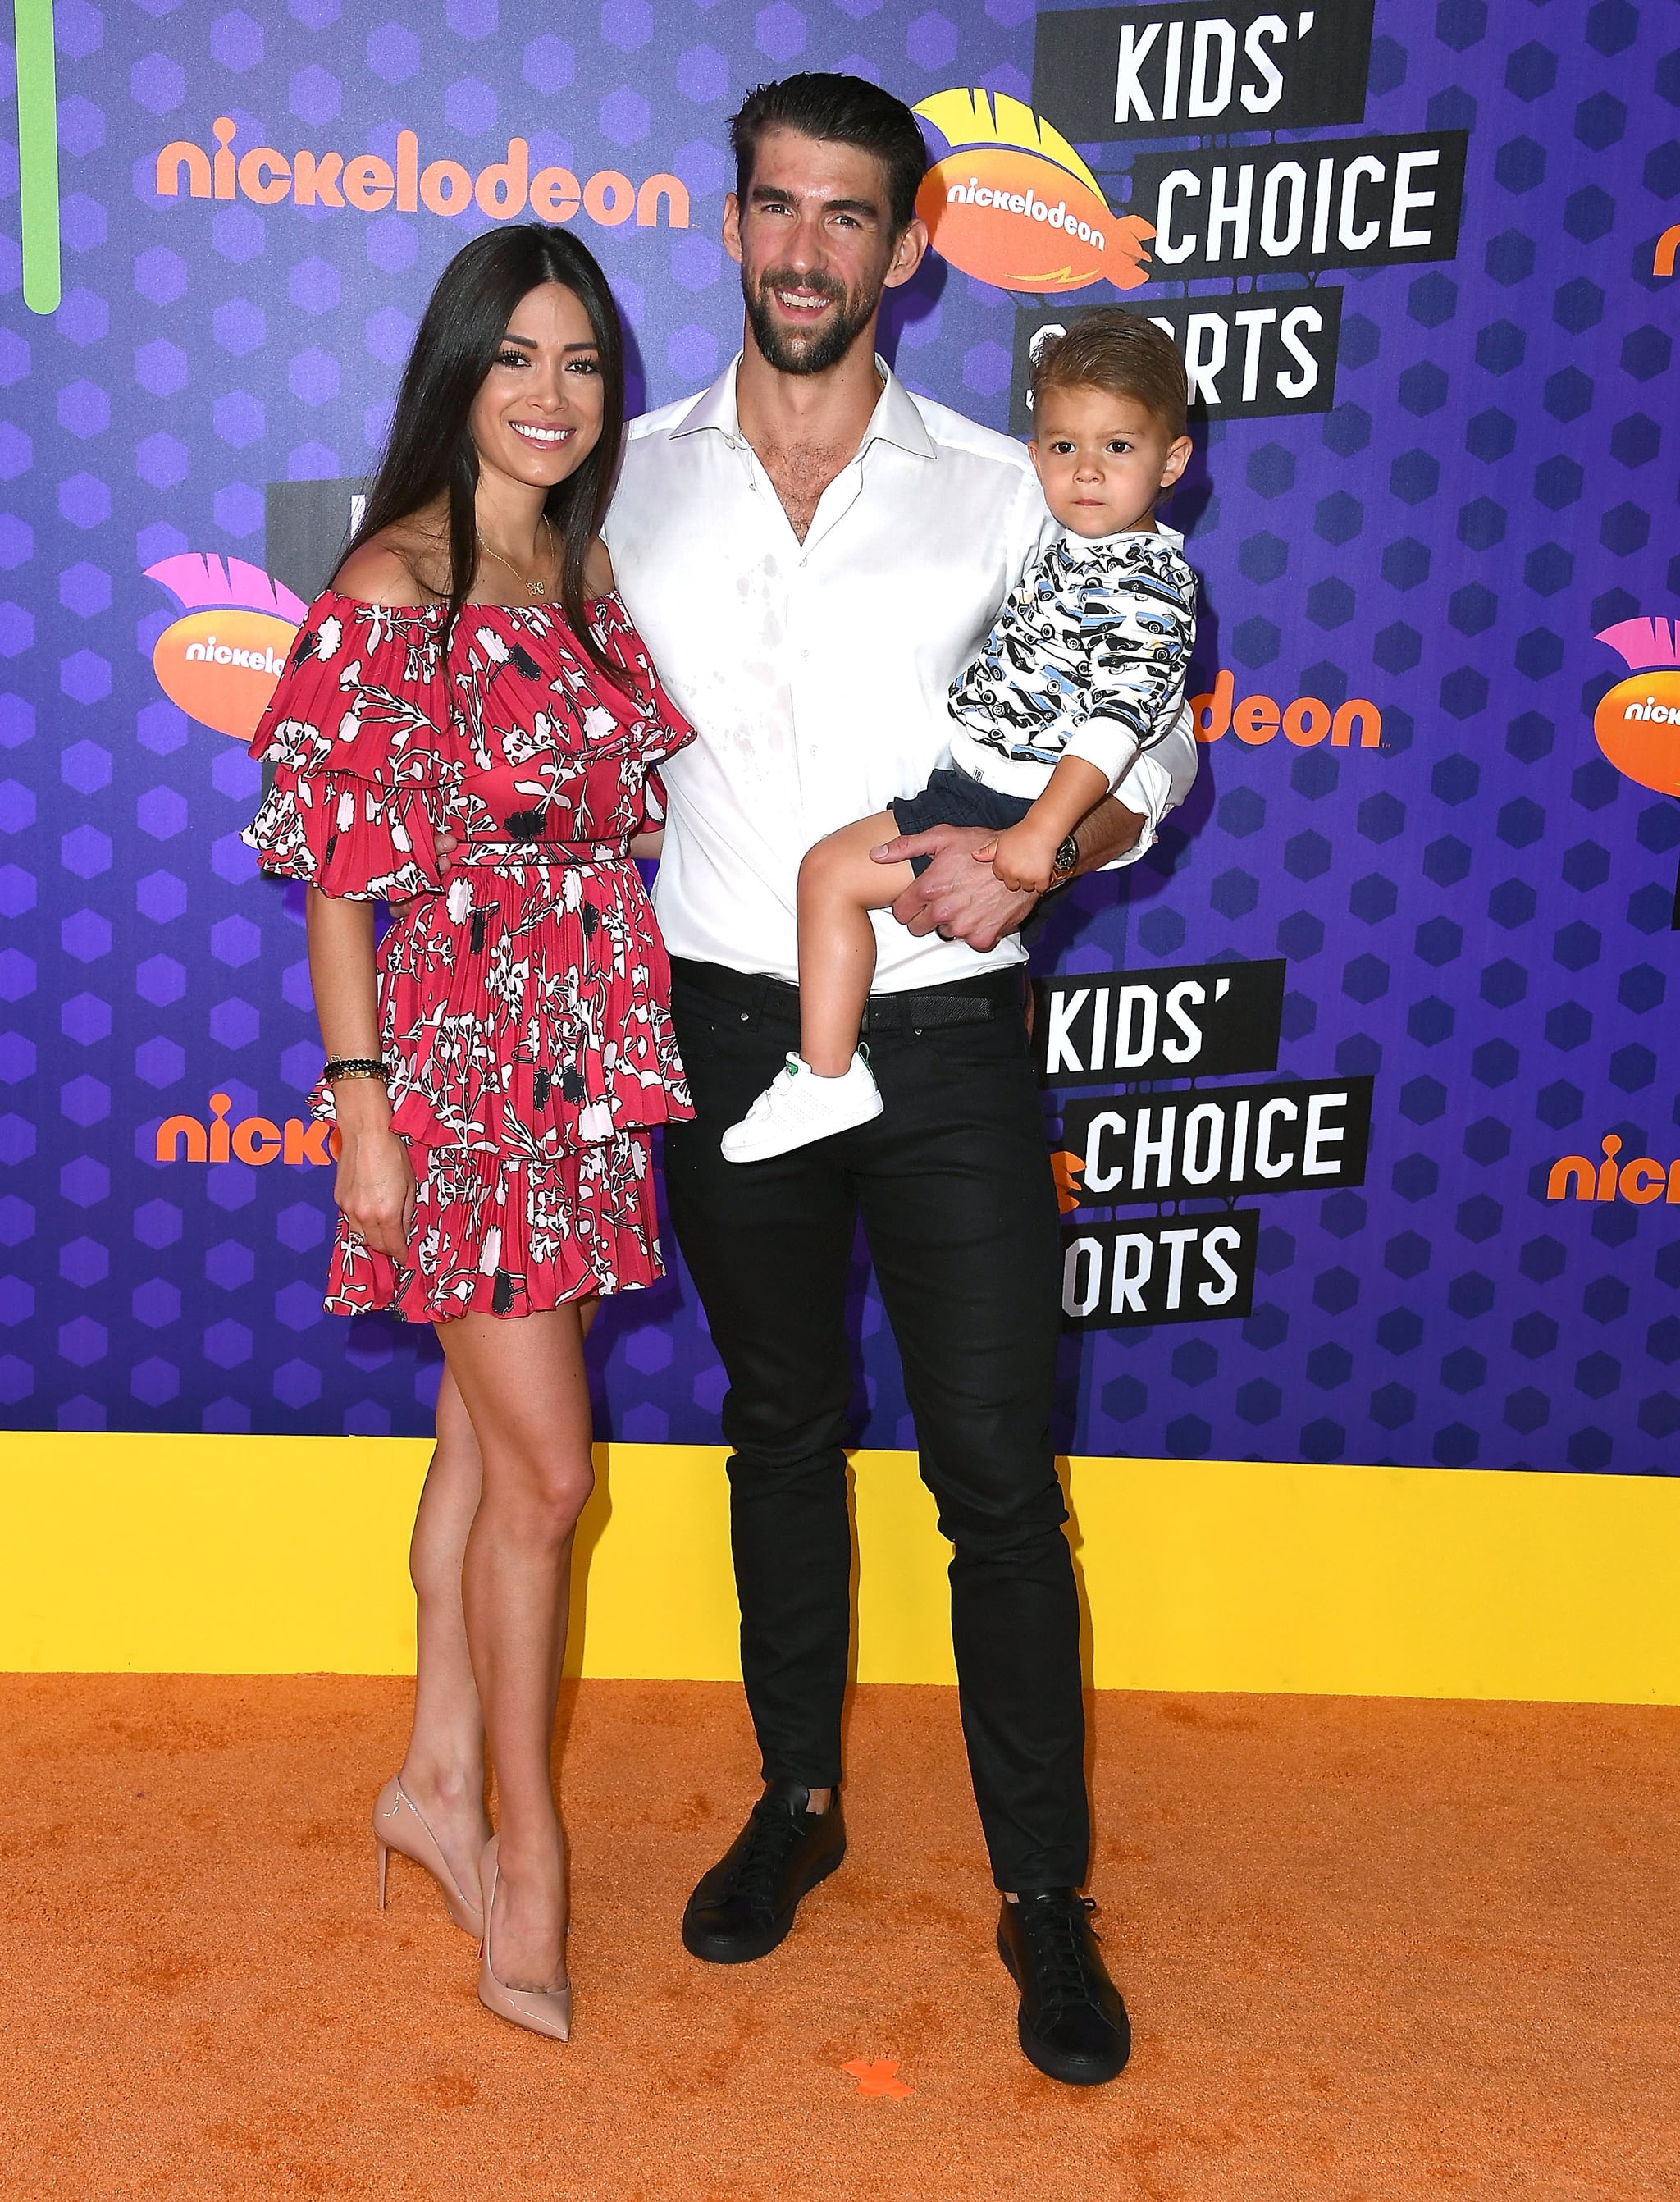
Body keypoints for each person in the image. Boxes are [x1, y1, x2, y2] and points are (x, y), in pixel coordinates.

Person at [603, 75, 1198, 2085]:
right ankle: (796, 1800)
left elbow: (1149, 733)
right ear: (734, 223)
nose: (802, 251)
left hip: (948, 1033)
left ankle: (1042, 1891)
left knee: (997, 1484)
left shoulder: (1007, 480)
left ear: (910, 246)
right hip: (718, 1026)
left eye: (846, 218)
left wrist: (1055, 844)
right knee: (776, 1425)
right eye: (773, 208)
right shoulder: (623, 470)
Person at [242, 226, 692, 2044]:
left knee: (483, 1438)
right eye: (514, 358)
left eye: (582, 363)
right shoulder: (391, 583)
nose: (550, 395)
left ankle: (430, 1774)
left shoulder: (581, 580)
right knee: (553, 1479)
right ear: (456, 375)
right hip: (457, 1080)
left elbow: (633, 814)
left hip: (583, 1071)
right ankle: (525, 1844)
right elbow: (337, 886)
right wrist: (365, 1117)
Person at [721, 310, 1197, 1161]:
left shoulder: (1144, 580)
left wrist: (1040, 838)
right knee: (829, 875)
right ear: (1034, 450)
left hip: (1002, 798)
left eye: (1117, 449)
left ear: (1171, 461)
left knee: (827, 875)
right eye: (1061, 448)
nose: (1085, 472)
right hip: (985, 782)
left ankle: (824, 1079)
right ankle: (828, 1074)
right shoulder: (1073, 543)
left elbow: (1124, 719)